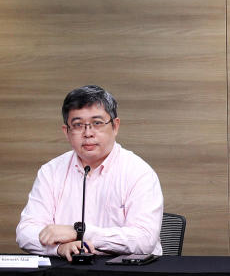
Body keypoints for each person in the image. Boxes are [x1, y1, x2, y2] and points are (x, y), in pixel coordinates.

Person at [16, 85, 164, 260]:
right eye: (78, 125)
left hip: (126, 275)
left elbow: (144, 240)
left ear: (115, 126)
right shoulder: (51, 172)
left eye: (97, 123)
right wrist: (59, 248)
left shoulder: (139, 172)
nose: (88, 133)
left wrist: (79, 232)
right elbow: (25, 231)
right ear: (67, 132)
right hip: (67, 273)